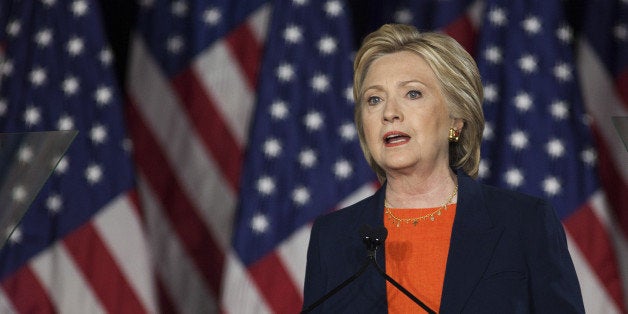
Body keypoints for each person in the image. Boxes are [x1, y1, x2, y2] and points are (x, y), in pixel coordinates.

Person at [302, 24, 584, 313]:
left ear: (456, 120)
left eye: (412, 94)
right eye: (374, 99)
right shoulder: (332, 237)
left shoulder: (525, 222)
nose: (389, 113)